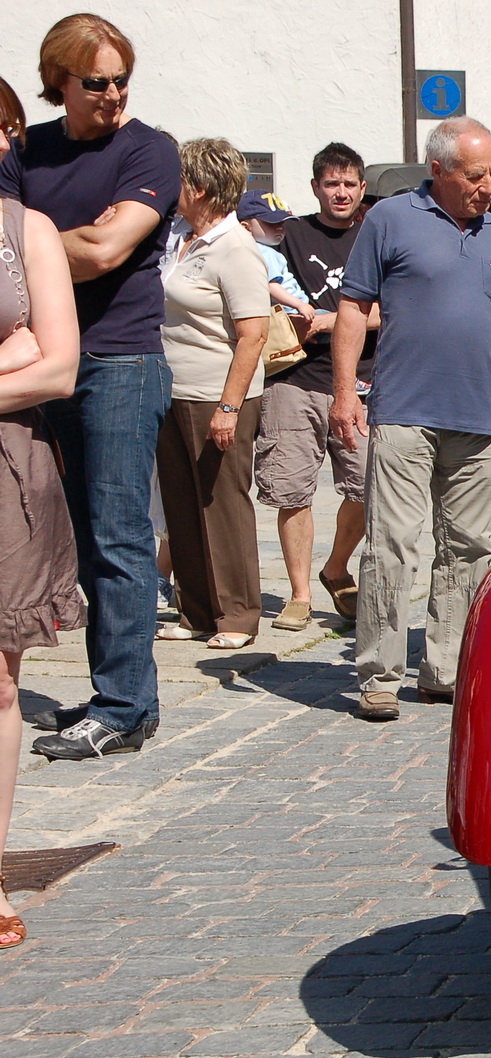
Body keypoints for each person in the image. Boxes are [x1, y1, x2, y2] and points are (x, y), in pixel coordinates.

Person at [329, 117, 491, 721]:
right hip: (404, 410)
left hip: (477, 417)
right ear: (439, 170)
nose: (487, 187)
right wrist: (345, 391)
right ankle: (379, 674)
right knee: (391, 545)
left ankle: (445, 668)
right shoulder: (390, 219)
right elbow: (353, 306)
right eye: (475, 175)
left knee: (469, 548)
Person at [0, 15, 181, 759]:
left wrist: (39, 245)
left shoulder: (150, 149)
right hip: (44, 361)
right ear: (59, 84)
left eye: (120, 80)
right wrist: (46, 248)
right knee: (71, 534)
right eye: (95, 82)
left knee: (117, 536)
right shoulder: (30, 148)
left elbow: (107, 250)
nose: (112, 94)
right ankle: (110, 685)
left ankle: (126, 704)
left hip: (119, 362)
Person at [0, 73, 82, 945]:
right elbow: (29, 354)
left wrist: (29, 353)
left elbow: (58, 366)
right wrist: (11, 353)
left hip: (8, 470)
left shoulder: (29, 234)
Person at [155, 138, 269, 651]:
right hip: (171, 388)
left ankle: (238, 615)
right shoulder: (179, 238)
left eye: (178, 179)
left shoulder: (235, 248)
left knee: (221, 504)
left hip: (216, 394)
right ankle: (196, 609)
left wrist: (228, 406)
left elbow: (253, 333)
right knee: (180, 504)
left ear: (199, 188)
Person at [263, 143, 373, 632]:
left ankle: (335, 568)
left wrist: (331, 322)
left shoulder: (376, 235)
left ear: (362, 188)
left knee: (369, 485)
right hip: (295, 378)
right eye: (332, 183)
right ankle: (300, 593)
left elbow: (393, 308)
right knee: (292, 488)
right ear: (315, 188)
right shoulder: (291, 235)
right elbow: (262, 290)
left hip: (362, 380)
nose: (341, 192)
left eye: (350, 183)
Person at [236, 191, 311, 323]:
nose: (280, 228)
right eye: (271, 223)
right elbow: (271, 287)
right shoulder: (265, 252)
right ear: (246, 227)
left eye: (282, 223)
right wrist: (299, 305)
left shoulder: (245, 250)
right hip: (290, 311)